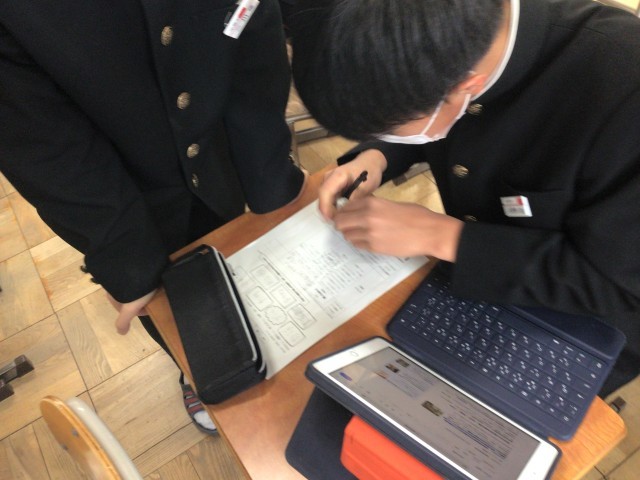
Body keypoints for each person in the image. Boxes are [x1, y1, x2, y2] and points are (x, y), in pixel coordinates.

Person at [290, 0, 640, 396]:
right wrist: (378, 155)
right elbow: (425, 107)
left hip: (580, 324)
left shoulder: (622, 87)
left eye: (390, 129)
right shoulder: (455, 49)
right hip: (470, 284)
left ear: (467, 89)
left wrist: (443, 236)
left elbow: (612, 284)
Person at [0, 0, 306, 434]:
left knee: (257, 260)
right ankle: (192, 369)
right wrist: (128, 259)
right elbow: (36, 133)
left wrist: (272, 181)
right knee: (176, 308)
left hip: (223, 132)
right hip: (127, 182)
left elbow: (249, 21)